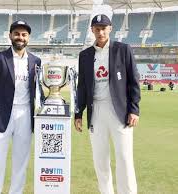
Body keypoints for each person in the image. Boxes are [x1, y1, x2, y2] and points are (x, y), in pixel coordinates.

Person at [74, 14, 141, 194]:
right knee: (100, 159)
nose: (101, 32)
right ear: (92, 30)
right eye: (97, 28)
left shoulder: (123, 49)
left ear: (110, 29)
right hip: (96, 111)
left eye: (104, 28)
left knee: (124, 157)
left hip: (119, 110)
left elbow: (134, 81)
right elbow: (82, 87)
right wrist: (78, 113)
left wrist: (134, 110)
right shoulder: (85, 55)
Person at [0, 19, 43, 194]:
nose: (20, 37)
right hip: (2, 114)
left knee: (21, 161)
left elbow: (39, 90)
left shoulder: (36, 61)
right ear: (10, 35)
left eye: (24, 34)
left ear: (28, 38)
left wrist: (45, 112)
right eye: (16, 33)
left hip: (26, 115)